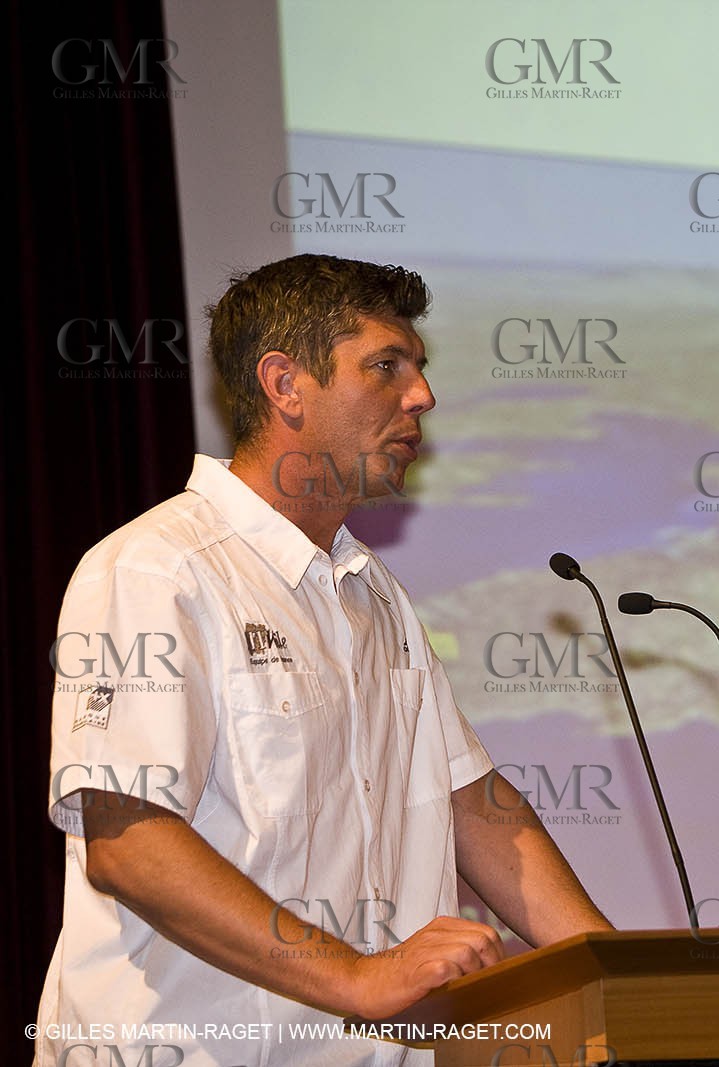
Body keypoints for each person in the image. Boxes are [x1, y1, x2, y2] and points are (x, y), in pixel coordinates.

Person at [35, 254, 613, 1067]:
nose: (421, 395)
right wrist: (358, 979)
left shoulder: (372, 593)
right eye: (386, 365)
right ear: (285, 384)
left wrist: (615, 976)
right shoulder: (158, 569)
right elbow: (130, 841)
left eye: (418, 366)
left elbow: (471, 802)